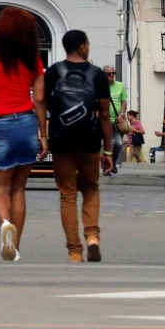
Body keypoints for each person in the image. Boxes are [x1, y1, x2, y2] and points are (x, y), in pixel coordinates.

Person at [0, 7, 47, 262]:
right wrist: (43, 135)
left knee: (0, 189)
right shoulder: (33, 60)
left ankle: (4, 225)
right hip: (26, 124)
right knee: (19, 190)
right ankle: (14, 247)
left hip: (0, 124)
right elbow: (39, 100)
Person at [44, 30, 113, 264]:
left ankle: (75, 251)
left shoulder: (53, 72)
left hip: (61, 140)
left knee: (67, 194)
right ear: (83, 46)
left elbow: (42, 104)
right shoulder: (97, 75)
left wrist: (43, 136)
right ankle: (92, 237)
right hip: (89, 141)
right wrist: (109, 150)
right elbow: (104, 115)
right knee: (91, 188)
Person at [104, 65, 128, 174]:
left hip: (117, 122)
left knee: (118, 143)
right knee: (106, 145)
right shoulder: (101, 86)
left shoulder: (120, 86)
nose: (112, 75)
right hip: (105, 121)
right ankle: (107, 166)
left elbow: (124, 101)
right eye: (109, 74)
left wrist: (122, 114)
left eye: (113, 73)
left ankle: (112, 163)